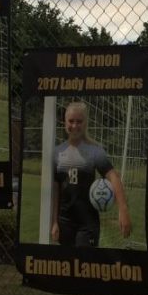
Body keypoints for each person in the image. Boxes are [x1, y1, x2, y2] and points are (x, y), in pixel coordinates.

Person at [50, 100, 132, 248]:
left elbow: (113, 176)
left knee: (85, 266)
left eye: (79, 121)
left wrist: (123, 209)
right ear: (64, 122)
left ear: (86, 123)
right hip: (64, 222)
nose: (75, 125)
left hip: (87, 224)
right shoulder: (57, 152)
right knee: (66, 267)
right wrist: (54, 221)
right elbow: (56, 188)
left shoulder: (94, 151)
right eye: (71, 121)